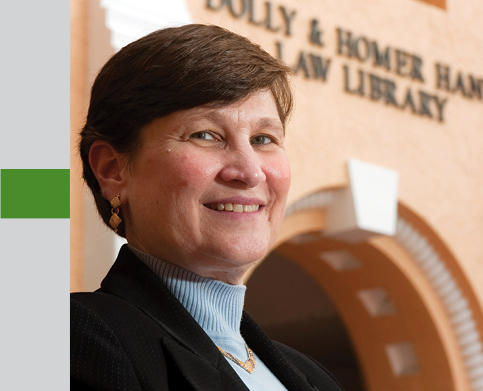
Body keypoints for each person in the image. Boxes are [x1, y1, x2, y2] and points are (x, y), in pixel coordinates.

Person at [71, 24, 344, 391]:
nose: (249, 172)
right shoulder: (76, 338)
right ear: (113, 169)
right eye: (205, 135)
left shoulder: (312, 377)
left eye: (264, 139)